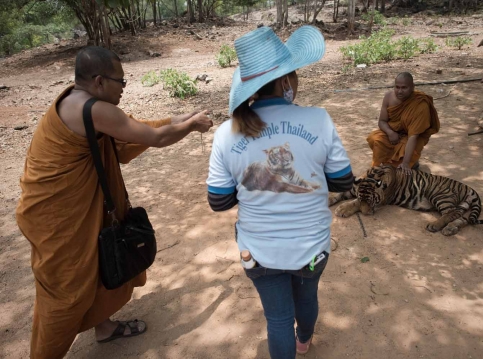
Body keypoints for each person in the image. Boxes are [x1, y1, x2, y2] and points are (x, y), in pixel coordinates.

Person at [16, 46, 213, 359]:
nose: (124, 88)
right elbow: (155, 137)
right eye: (120, 82)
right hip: (59, 217)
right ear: (98, 81)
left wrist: (182, 117)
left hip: (73, 209)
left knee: (100, 259)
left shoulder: (78, 99)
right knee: (68, 290)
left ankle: (104, 327)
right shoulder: (96, 110)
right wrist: (189, 127)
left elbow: (137, 127)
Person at [206, 26, 353, 358]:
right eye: (295, 74)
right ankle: (304, 342)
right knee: (307, 300)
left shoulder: (226, 132)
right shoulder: (319, 119)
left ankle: (293, 342)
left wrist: (252, 190)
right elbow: (344, 183)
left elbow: (219, 200)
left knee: (278, 321)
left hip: (258, 252)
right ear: (286, 82)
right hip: (312, 248)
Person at [366, 72, 440, 175]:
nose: (400, 91)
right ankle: (381, 166)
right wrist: (390, 133)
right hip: (393, 132)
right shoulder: (388, 97)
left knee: (406, 156)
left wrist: (405, 163)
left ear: (412, 87)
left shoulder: (420, 105)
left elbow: (413, 136)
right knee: (375, 139)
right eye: (397, 87)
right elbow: (382, 121)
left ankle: (410, 164)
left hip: (412, 137)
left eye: (404, 88)